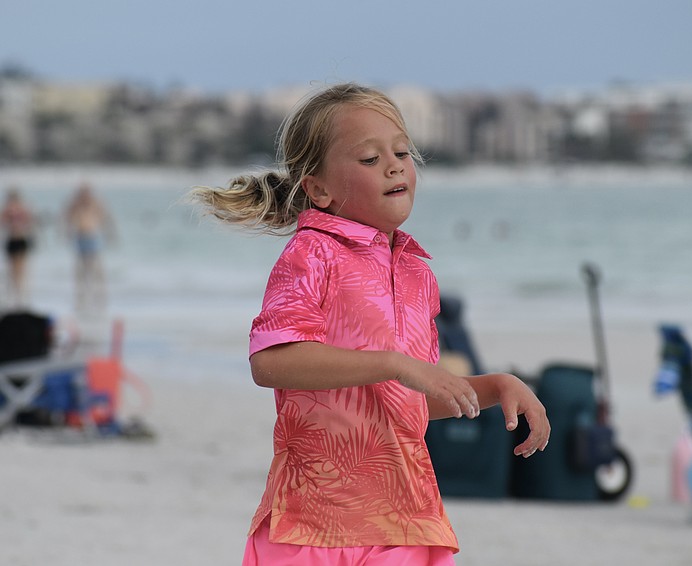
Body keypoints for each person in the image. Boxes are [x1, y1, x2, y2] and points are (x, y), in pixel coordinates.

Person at [192, 83, 551, 566]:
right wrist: (394, 365)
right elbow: (272, 362)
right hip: (313, 523)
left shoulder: (418, 272)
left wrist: (494, 386)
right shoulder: (312, 254)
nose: (395, 164)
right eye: (368, 158)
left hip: (407, 521)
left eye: (402, 151)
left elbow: (408, 403)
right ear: (318, 188)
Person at [64, 182, 115, 313]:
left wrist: (110, 235)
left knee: (97, 271)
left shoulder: (95, 204)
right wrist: (67, 233)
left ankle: (100, 299)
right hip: (80, 239)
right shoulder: (75, 205)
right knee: (80, 272)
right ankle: (81, 300)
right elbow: (66, 219)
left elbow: (106, 219)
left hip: (92, 239)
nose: (84, 195)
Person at [1, 187, 36, 307]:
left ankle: (21, 294)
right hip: (12, 240)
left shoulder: (23, 210)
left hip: (20, 239)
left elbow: (30, 223)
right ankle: (14, 294)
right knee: (12, 269)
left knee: (21, 269)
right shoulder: (7, 211)